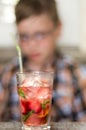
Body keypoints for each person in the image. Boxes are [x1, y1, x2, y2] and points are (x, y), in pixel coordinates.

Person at [0, 0, 86, 121]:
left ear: (58, 29)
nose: (32, 44)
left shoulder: (75, 73)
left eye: (40, 34)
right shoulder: (8, 74)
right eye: (24, 36)